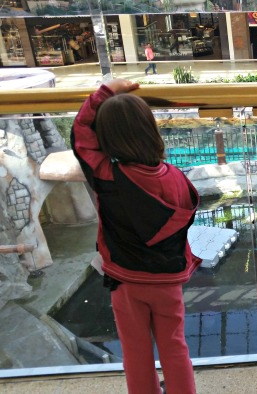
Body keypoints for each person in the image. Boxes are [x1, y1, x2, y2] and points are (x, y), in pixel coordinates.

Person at [71, 78, 201, 394]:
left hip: (126, 280)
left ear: (108, 138)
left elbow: (80, 136)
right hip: (167, 281)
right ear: (150, 130)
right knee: (174, 346)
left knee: (135, 351)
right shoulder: (176, 179)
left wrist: (107, 91)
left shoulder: (105, 175)